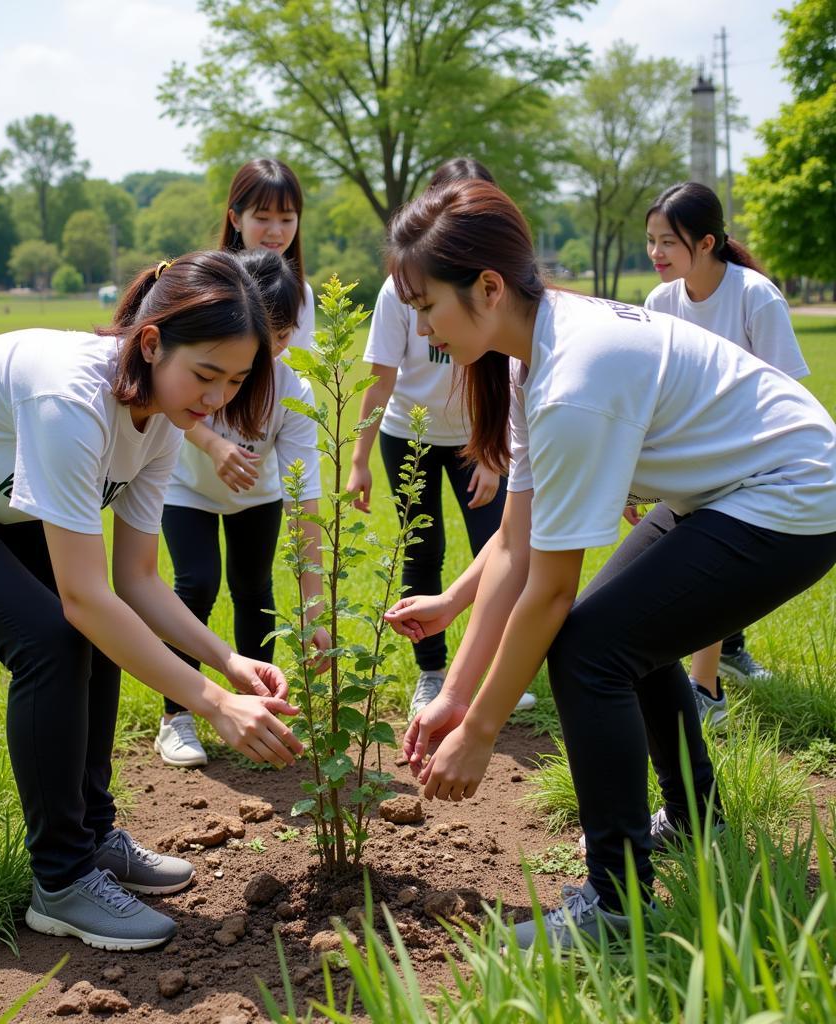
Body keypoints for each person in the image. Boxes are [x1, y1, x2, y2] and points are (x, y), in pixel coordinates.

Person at [381, 180, 836, 949]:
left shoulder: (573, 382)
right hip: (731, 488)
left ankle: (617, 903)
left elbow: (549, 592)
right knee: (623, 631)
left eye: (427, 307)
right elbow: (516, 545)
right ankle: (695, 820)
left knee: (591, 648)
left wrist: (483, 731)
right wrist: (455, 688)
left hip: (793, 495)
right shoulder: (535, 356)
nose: (423, 331)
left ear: (488, 288)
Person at [0, 252, 305, 951]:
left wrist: (227, 660)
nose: (216, 400)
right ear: (151, 343)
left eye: (235, 381)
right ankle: (59, 882)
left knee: (93, 632)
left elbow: (138, 585)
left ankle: (92, 836)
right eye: (206, 374)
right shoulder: (73, 400)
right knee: (54, 640)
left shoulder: (161, 423)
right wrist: (213, 704)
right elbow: (86, 601)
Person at [345, 158, 534, 720]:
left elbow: (507, 373)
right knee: (422, 553)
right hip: (412, 436)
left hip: (481, 438)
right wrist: (359, 458)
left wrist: (495, 456)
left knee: (496, 546)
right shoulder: (397, 289)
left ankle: (497, 670)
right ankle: (432, 674)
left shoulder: (494, 292)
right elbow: (380, 375)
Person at [642, 181, 810, 725]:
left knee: (702, 556)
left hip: (758, 455)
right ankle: (719, 664)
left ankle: (705, 688)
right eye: (651, 241)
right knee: (686, 566)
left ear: (708, 242)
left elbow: (789, 395)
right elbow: (656, 394)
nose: (657, 254)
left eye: (669, 242)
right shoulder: (659, 302)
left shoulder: (754, 295)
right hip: (693, 455)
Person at [156, 248, 329, 767]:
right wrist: (214, 446)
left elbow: (304, 495)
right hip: (185, 490)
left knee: (255, 592)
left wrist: (315, 606)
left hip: (257, 498)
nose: (276, 346)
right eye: (269, 332)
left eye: (285, 333)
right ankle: (177, 716)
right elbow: (170, 409)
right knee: (197, 583)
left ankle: (259, 708)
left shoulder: (291, 390)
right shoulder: (207, 362)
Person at [220, 158, 315, 349]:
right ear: (236, 219)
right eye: (262, 218)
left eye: (287, 219)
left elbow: (301, 369)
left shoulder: (301, 293)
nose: (275, 231)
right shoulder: (213, 286)